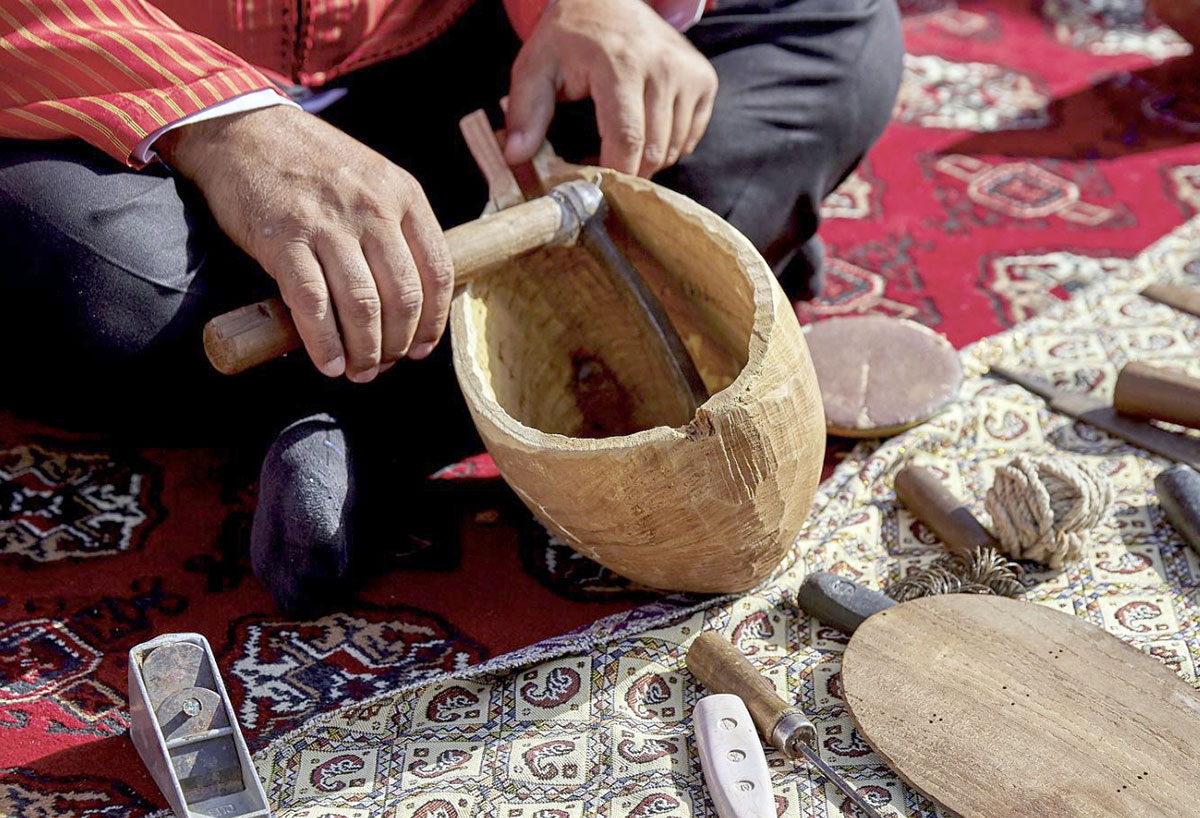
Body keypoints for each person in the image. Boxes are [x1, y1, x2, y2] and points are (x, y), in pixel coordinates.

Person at [0, 0, 902, 613]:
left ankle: (383, 416)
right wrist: (221, 120)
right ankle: (673, 251)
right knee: (100, 279)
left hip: (465, 58)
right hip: (129, 98)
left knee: (838, 26)